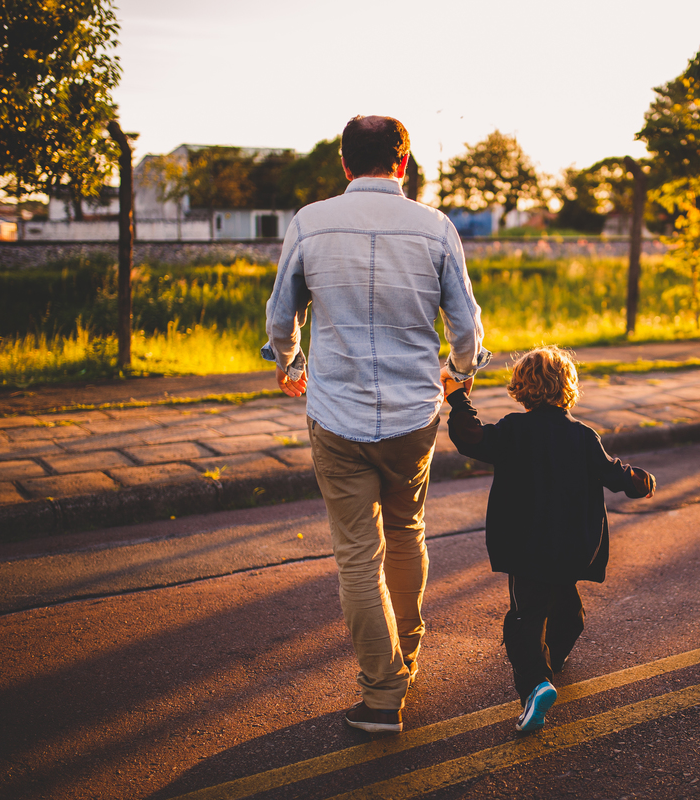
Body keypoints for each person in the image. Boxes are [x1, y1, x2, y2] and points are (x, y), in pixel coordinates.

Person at [266, 115, 490, 734]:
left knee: (358, 557)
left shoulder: (310, 222)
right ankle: (406, 659)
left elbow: (281, 314)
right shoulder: (435, 227)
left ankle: (381, 693)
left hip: (335, 413)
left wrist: (290, 366)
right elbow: (468, 328)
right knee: (407, 530)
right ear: (403, 163)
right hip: (412, 415)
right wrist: (457, 375)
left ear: (344, 164)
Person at [442, 346, 656, 732]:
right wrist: (642, 481)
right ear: (567, 388)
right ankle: (545, 666)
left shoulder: (512, 430)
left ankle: (536, 682)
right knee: (569, 616)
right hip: (572, 550)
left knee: (525, 618)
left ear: (521, 388)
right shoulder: (583, 437)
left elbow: (471, 438)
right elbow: (617, 475)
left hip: (527, 550)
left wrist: (458, 397)